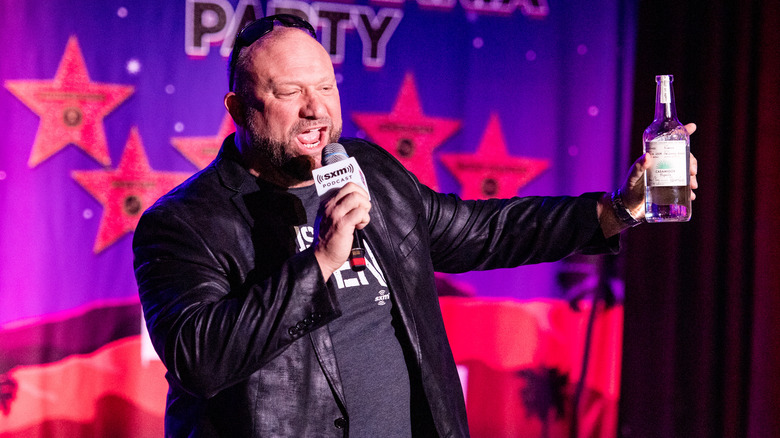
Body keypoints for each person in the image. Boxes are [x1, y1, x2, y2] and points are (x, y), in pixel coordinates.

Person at [132, 14, 698, 437]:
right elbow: (199, 358)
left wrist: (617, 208)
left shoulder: (367, 168)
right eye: (289, 93)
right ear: (238, 109)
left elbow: (480, 230)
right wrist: (320, 262)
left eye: (325, 87)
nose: (316, 110)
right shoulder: (184, 222)